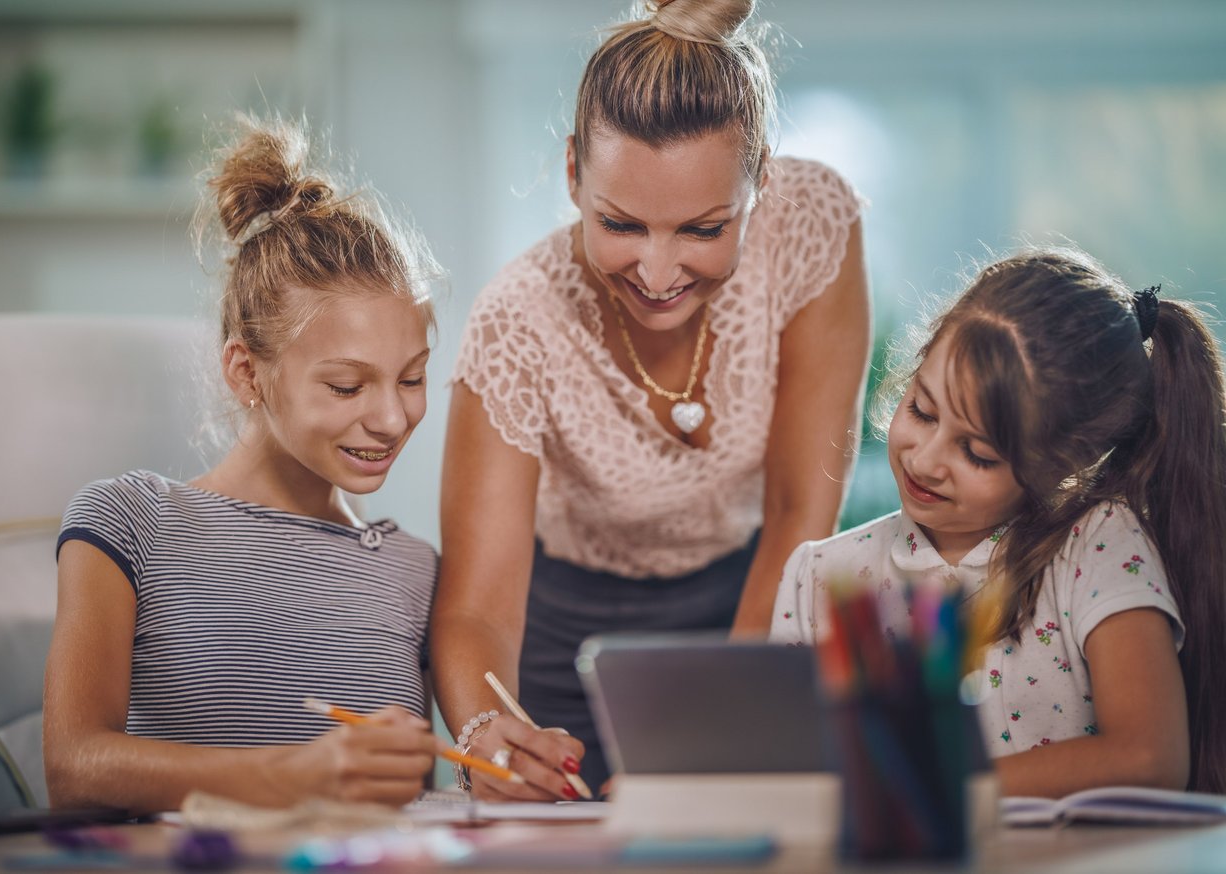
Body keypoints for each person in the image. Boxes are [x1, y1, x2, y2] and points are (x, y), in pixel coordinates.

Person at [433, 0, 871, 798]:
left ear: (761, 181)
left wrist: (722, 716)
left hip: (758, 597)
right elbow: (478, 608)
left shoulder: (812, 222)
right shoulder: (517, 320)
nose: (659, 273)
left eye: (704, 231)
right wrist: (482, 736)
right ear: (572, 173)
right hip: (564, 639)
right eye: (622, 224)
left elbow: (800, 512)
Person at [43, 117, 442, 813]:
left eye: (411, 378)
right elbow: (74, 763)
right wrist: (284, 781)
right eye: (347, 386)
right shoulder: (130, 523)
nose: (392, 418)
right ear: (246, 372)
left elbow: (412, 799)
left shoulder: (412, 569)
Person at [770, 247, 1226, 797]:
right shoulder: (817, 575)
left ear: (1066, 463)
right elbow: (791, 775)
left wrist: (937, 784)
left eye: (978, 453)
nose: (925, 459)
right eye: (921, 410)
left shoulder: (1098, 546)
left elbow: (1150, 757)